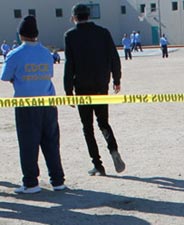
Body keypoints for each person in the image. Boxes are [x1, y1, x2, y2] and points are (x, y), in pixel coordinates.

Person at [0, 15, 65, 194]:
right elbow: (49, 75)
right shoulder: (46, 52)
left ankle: (31, 182)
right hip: (48, 102)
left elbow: (5, 76)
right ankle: (57, 180)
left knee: (28, 145)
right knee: (51, 142)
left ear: (21, 34)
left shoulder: (15, 54)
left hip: (26, 104)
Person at [64, 3, 126, 176]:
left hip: (82, 88)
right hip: (101, 86)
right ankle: (113, 149)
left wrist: (68, 91)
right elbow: (114, 57)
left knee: (87, 127)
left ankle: (98, 164)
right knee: (103, 122)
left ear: (74, 17)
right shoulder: (103, 32)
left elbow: (70, 65)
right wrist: (117, 79)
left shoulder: (70, 36)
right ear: (89, 15)